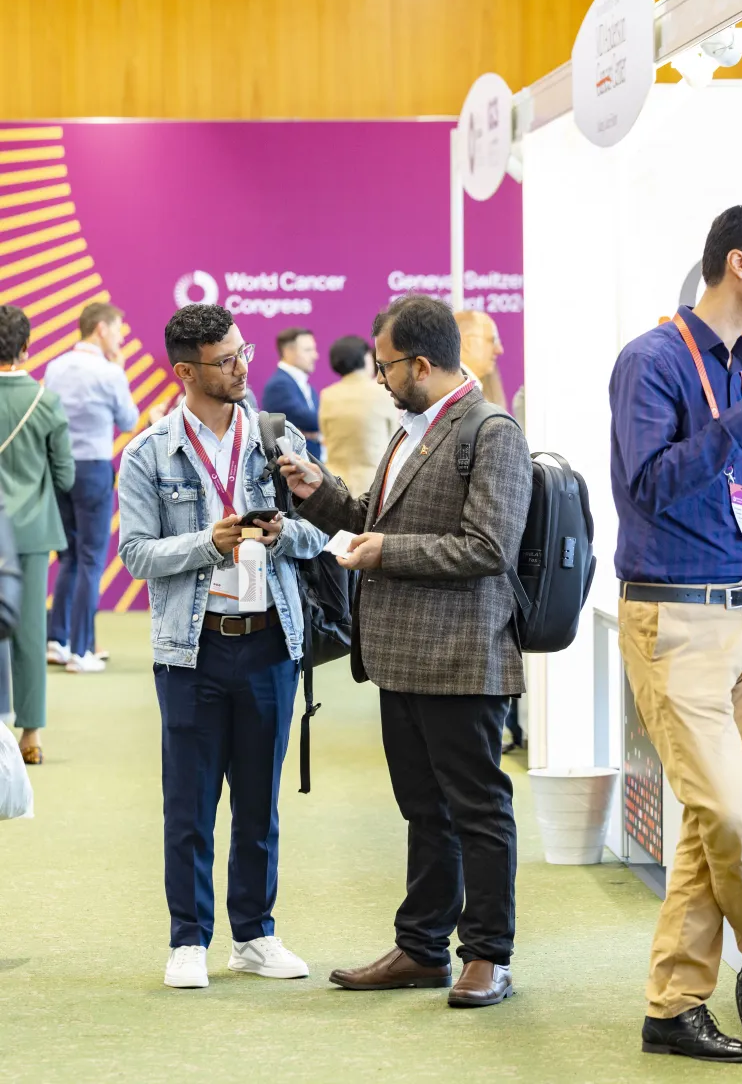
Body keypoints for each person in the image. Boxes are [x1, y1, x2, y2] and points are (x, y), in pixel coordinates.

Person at [282, 294, 532, 1009]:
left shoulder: (490, 432)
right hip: (401, 655)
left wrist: (388, 551)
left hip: (460, 656)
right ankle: (422, 947)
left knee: (476, 809)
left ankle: (488, 953)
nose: (378, 377)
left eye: (387, 365)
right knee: (426, 810)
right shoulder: (414, 426)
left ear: (421, 364)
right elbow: (371, 518)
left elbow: (487, 547)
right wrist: (318, 492)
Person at [118, 303, 327, 990]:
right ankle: (188, 939)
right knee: (190, 802)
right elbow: (136, 555)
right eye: (226, 360)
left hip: (269, 641)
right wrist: (212, 541)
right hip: (192, 649)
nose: (243, 367)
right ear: (185, 371)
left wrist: (279, 534)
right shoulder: (150, 453)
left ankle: (255, 934)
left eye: (244, 353)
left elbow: (315, 534)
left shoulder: (277, 436)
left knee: (259, 803)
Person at [610, 205, 742, 1063]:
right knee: (732, 818)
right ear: (740, 265)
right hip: (676, 615)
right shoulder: (653, 361)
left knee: (713, 823)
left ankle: (673, 1003)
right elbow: (649, 485)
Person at [45, 301, 139, 674]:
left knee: (68, 556)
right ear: (101, 329)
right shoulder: (108, 371)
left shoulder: (55, 367)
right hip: (94, 468)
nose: (120, 337)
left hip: (58, 468)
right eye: (117, 329)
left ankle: (58, 640)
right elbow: (129, 420)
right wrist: (118, 370)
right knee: (90, 559)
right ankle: (81, 651)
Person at [0, 305, 75, 764]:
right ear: (26, 347)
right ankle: (30, 735)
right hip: (27, 533)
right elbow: (64, 477)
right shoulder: (44, 400)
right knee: (29, 633)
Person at [319, 335, 399, 496]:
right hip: (373, 482)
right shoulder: (382, 392)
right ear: (365, 358)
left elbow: (325, 435)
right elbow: (394, 439)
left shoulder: (327, 395)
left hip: (335, 481)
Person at [262, 328, 320, 458]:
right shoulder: (279, 385)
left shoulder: (307, 387)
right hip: (293, 467)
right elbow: (313, 422)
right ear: (287, 352)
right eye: (308, 350)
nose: (315, 355)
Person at [455, 309, 506, 408]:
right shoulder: (457, 390)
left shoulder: (470, 388)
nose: (499, 350)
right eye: (492, 340)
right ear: (465, 342)